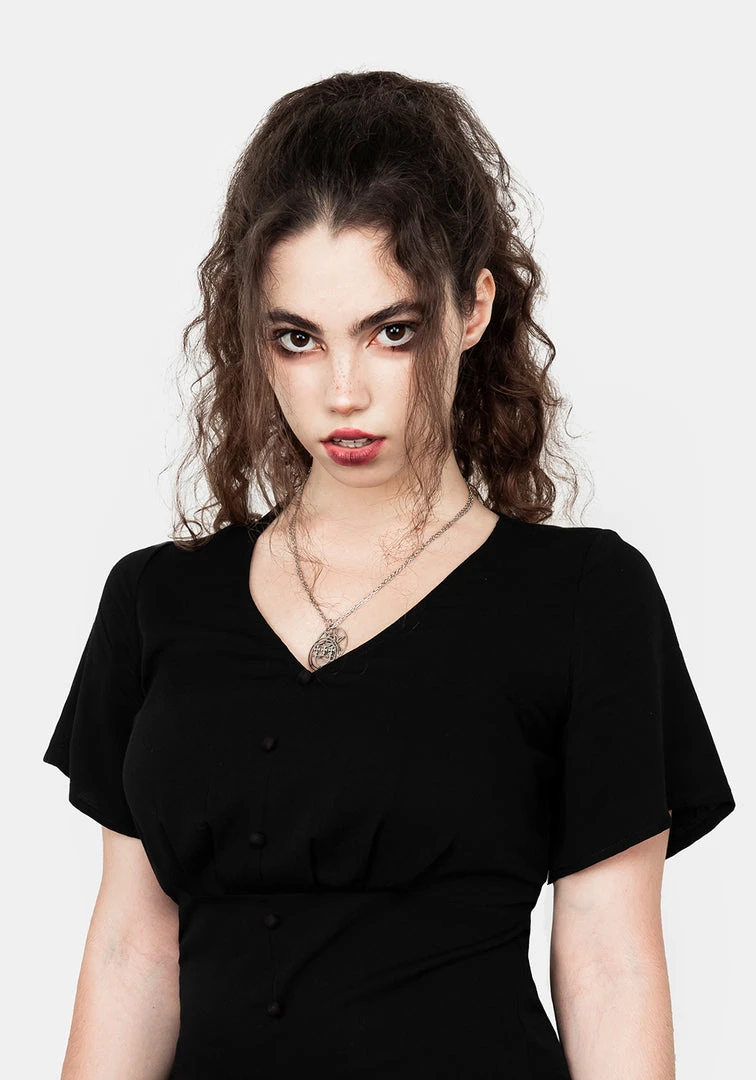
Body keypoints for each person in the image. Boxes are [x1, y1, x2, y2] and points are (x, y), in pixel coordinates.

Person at [42, 70, 736, 1079]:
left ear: (473, 307)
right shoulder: (156, 601)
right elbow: (130, 951)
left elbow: (609, 965)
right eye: (298, 338)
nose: (343, 391)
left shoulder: (585, 598)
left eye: (391, 331)